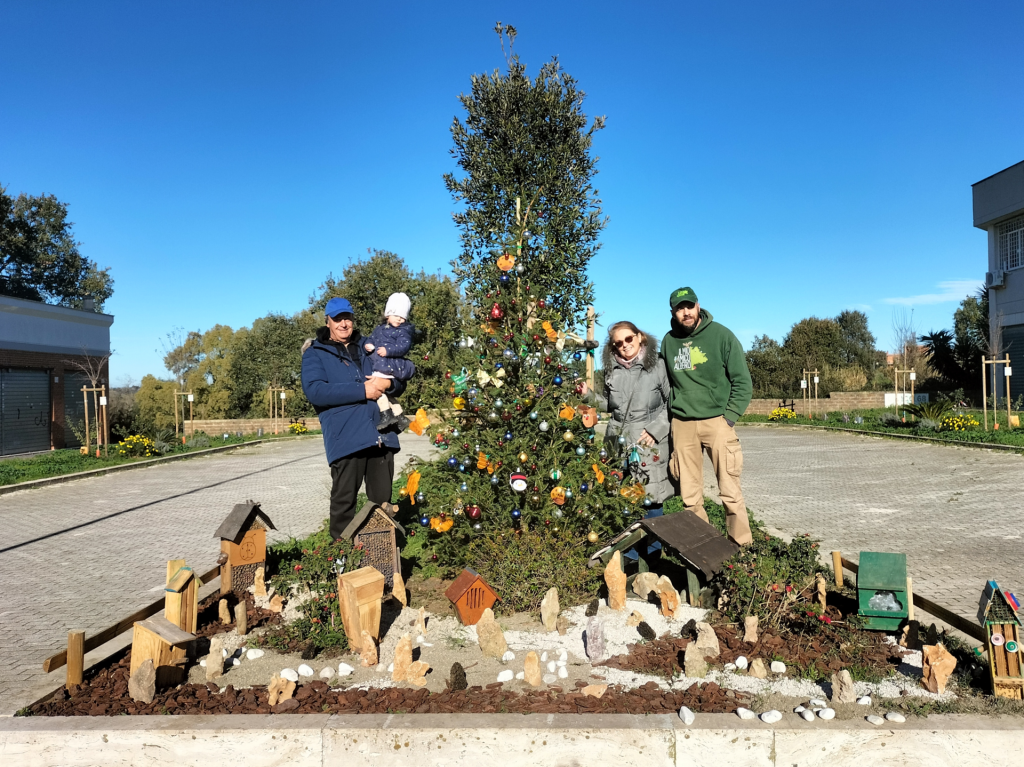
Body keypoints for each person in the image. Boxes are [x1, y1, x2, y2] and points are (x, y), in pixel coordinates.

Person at [301, 297, 405, 540]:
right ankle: (343, 562)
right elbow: (315, 391)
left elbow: (398, 376)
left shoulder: (369, 346)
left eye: (347, 318)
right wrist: (363, 391)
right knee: (344, 505)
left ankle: (383, 560)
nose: (344, 323)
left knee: (382, 507)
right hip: (346, 438)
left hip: (382, 435)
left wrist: (388, 382)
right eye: (337, 319)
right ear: (328, 321)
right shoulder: (315, 354)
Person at [660, 287, 753, 546]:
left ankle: (740, 549)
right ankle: (704, 550)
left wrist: (729, 417)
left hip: (718, 422)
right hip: (682, 424)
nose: (686, 312)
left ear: (698, 306)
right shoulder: (668, 342)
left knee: (730, 491)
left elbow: (742, 382)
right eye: (680, 308)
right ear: (673, 312)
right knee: (690, 496)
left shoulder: (722, 336)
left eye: (689, 306)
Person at [581, 321, 673, 557]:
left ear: (639, 337)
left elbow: (672, 403)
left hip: (646, 442)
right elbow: (610, 406)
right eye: (618, 343)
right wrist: (588, 396)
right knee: (621, 496)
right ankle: (628, 555)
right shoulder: (613, 369)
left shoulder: (658, 366)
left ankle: (652, 556)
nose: (624, 345)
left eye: (628, 339)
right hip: (616, 442)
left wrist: (657, 429)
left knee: (650, 499)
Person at [363, 292, 416, 432]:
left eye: (403, 317)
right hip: (379, 366)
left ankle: (386, 414)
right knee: (388, 394)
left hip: (388, 367)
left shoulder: (402, 331)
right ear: (388, 315)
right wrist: (368, 345)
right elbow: (371, 339)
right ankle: (400, 416)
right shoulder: (379, 330)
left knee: (378, 391)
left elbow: (403, 346)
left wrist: (388, 350)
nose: (400, 319)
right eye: (397, 315)